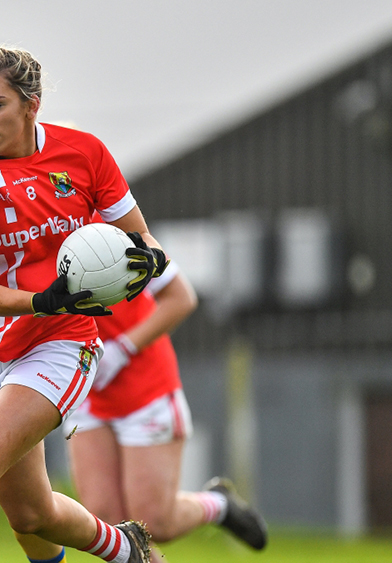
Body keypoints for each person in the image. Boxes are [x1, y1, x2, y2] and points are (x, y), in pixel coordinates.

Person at [0, 36, 171, 563]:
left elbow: (143, 239)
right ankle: (125, 548)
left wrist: (147, 263)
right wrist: (42, 298)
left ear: (31, 105)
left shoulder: (84, 153)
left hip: (62, 342)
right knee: (32, 514)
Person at [64, 227, 267, 561]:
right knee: (108, 523)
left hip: (145, 389)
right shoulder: (29, 225)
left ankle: (219, 506)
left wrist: (123, 349)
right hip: (88, 390)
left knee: (154, 522)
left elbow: (181, 298)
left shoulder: (112, 230)